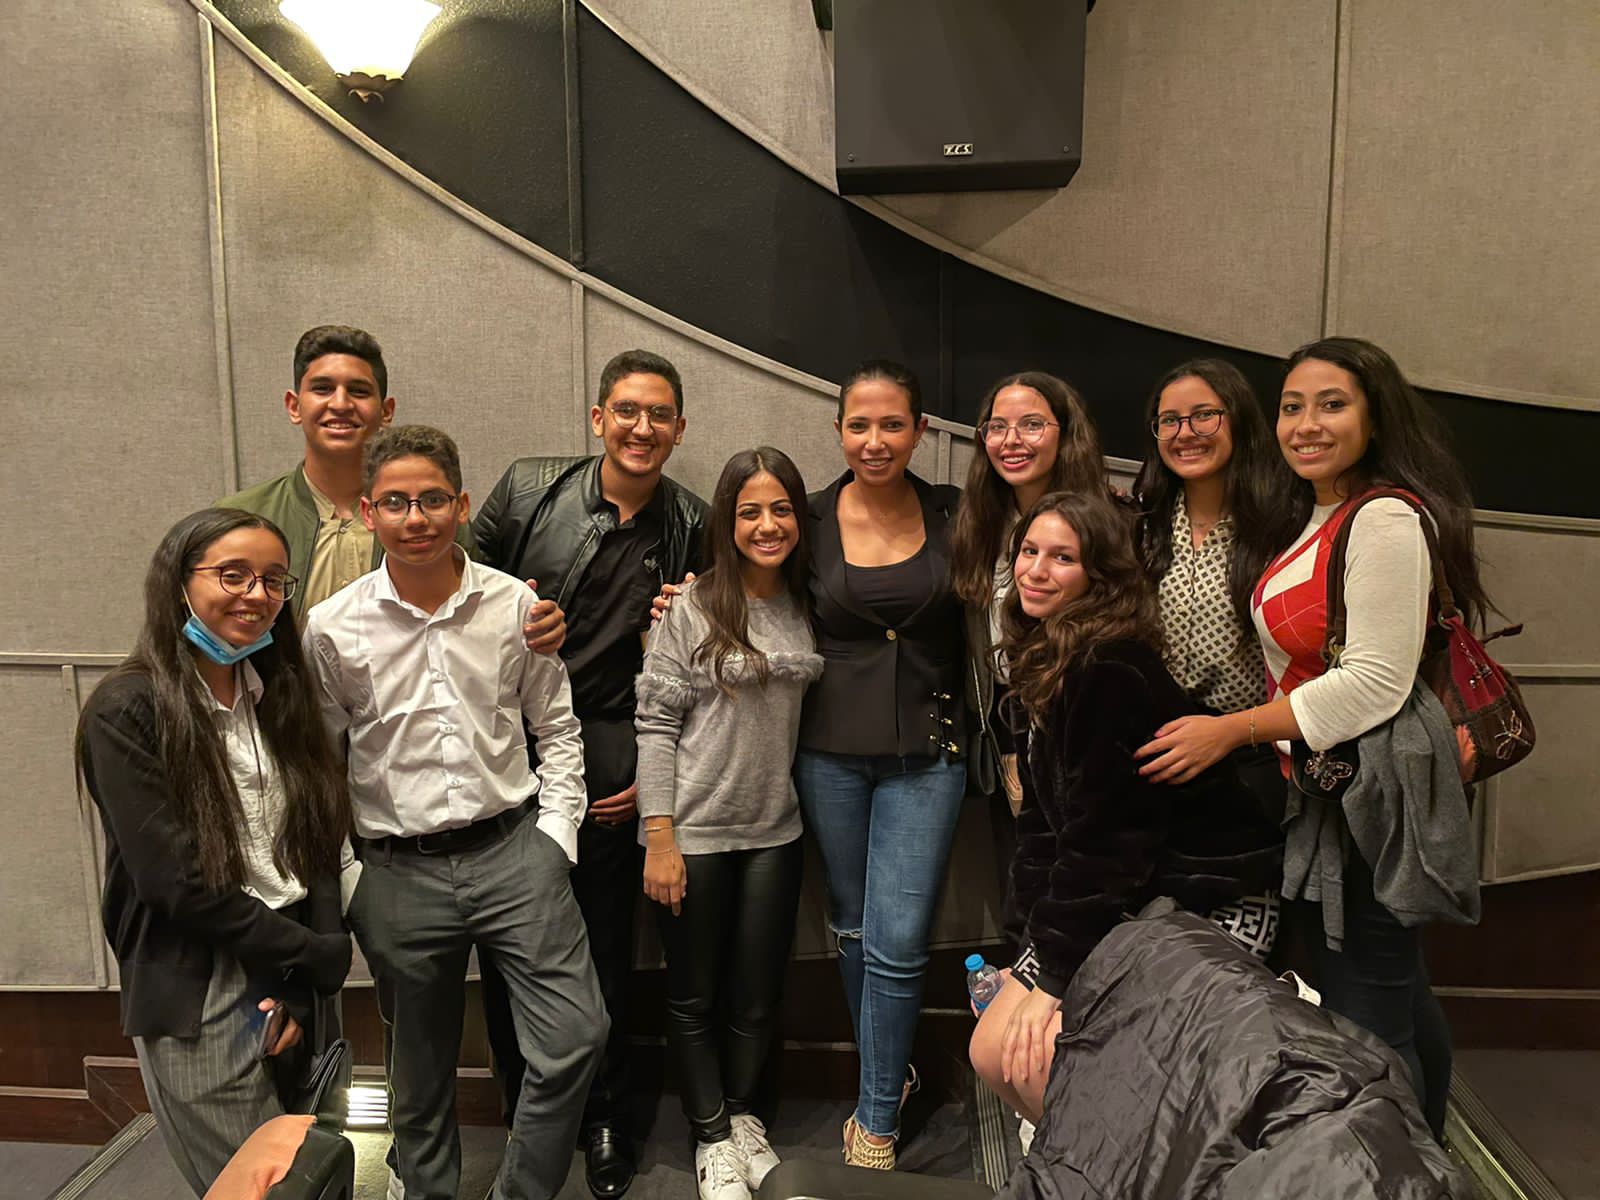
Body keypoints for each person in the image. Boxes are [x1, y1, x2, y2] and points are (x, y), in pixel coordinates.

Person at [1134, 337, 1489, 1138]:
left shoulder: (1385, 517)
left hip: (1375, 790)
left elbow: (1374, 681)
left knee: (1368, 1020)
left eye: (1332, 405)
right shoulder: (1317, 511)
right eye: (1293, 406)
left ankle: (1390, 1172)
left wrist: (1231, 731)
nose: (1307, 424)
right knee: (1397, 992)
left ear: (1375, 415)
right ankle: (1427, 1154)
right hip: (1333, 784)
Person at [304, 425, 604, 1200]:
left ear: (462, 505)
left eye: (433, 499)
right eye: (396, 502)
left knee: (576, 1034)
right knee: (420, 1070)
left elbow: (556, 728)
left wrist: (555, 836)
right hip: (395, 871)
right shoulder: (332, 626)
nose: (417, 518)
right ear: (368, 512)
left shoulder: (516, 606)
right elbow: (320, 764)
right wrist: (349, 875)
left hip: (514, 854)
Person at [471, 349, 708, 1198]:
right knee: (508, 935)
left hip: (613, 740)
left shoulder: (692, 523)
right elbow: (453, 588)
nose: (643, 428)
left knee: (604, 943)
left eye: (660, 415)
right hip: (510, 738)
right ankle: (523, 1108)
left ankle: (604, 1113)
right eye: (627, 411)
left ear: (680, 429)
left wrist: (656, 771)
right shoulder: (528, 489)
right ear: (599, 418)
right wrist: (513, 617)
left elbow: (696, 668)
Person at [967, 491, 1281, 1123]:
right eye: (1029, 552)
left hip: (1204, 896)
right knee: (993, 1050)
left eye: (1062, 558)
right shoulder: (1046, 657)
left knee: (1036, 1060)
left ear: (1099, 577)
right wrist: (1027, 947)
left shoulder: (1110, 668)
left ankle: (1107, 1154)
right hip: (1121, 893)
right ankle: (1079, 1151)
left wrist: (1052, 981)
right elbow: (1043, 830)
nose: (1036, 571)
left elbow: (1109, 844)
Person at [76, 508, 352, 1197]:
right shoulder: (127, 709)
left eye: (273, 580)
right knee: (255, 1187)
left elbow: (316, 836)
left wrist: (312, 971)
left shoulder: (280, 695)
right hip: (203, 981)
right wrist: (312, 955)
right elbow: (174, 884)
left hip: (296, 963)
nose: (256, 595)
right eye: (233, 575)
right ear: (179, 582)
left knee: (315, 1171)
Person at [791, 361, 968, 1170]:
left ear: (920, 430)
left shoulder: (956, 512)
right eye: (858, 425)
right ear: (838, 431)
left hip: (928, 754)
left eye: (892, 424)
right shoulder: (806, 517)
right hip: (828, 752)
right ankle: (888, 1077)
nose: (875, 440)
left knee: (897, 940)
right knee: (854, 928)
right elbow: (752, 598)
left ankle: (874, 1125)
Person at [634, 447, 822, 1200]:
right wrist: (660, 836)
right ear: (727, 521)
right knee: (693, 996)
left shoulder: (807, 602)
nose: (767, 525)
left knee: (756, 995)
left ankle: (743, 1120)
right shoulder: (693, 606)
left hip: (776, 831)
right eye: (750, 512)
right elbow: (655, 724)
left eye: (781, 510)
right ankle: (709, 1137)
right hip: (695, 835)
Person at [1132, 358, 1294, 818]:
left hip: (1251, 753)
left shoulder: (1284, 526)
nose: (1185, 433)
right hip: (1154, 749)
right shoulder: (1142, 524)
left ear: (1238, 419)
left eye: (1204, 415)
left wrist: (1231, 732)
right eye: (1169, 420)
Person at [949, 371, 1107, 814]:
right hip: (1002, 726)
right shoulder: (974, 526)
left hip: (1077, 727)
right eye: (997, 427)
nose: (1012, 441)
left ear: (1066, 433)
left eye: (1032, 425)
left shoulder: (1107, 524)